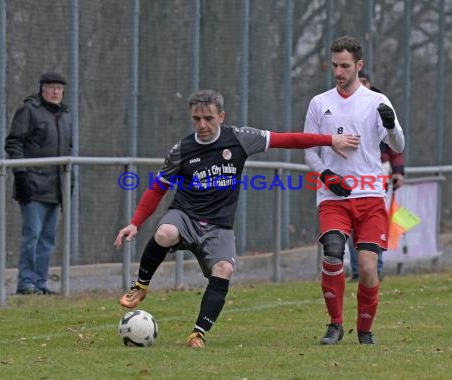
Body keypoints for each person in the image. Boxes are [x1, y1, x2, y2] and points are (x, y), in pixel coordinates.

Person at [114, 89, 359, 349]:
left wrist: (330, 139)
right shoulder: (182, 149)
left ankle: (198, 334)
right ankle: (140, 286)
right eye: (196, 119)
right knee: (164, 233)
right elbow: (157, 188)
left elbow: (287, 139)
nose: (202, 125)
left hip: (219, 226)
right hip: (185, 215)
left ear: (221, 116)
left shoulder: (240, 138)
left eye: (208, 118)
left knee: (224, 270)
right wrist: (135, 223)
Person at [304, 36, 405, 345]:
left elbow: (398, 145)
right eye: (334, 65)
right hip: (334, 196)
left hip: (371, 196)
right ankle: (335, 324)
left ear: (359, 66)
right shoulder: (320, 103)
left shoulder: (378, 101)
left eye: (345, 66)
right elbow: (308, 151)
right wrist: (326, 174)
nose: (338, 71)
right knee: (333, 254)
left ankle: (365, 329)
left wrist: (391, 128)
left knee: (366, 267)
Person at [5, 72, 72, 295]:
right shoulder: (29, 110)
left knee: (47, 239)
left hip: (55, 188)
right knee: (31, 237)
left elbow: (68, 150)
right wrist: (21, 176)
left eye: (59, 88)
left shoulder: (65, 115)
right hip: (32, 186)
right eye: (51, 87)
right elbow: (14, 143)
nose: (55, 91)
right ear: (42, 89)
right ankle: (26, 283)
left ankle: (40, 282)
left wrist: (68, 182)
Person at [348, 70, 406, 281]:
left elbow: (395, 143)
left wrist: (398, 171)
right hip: (349, 172)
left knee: (374, 220)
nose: (361, 85)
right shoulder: (340, 106)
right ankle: (357, 269)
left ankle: (375, 267)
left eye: (365, 81)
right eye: (359, 81)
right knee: (352, 222)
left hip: (377, 171)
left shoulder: (380, 105)